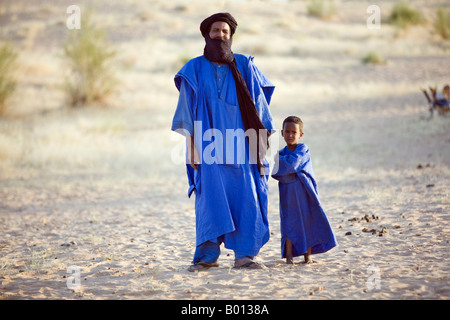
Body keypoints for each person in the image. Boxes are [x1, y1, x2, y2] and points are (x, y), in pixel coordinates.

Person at [171, 13, 275, 271]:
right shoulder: (193, 68)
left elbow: (259, 107)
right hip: (207, 146)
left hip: (242, 145)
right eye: (216, 30)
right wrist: (191, 147)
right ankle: (206, 258)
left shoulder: (245, 65)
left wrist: (260, 145)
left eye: (225, 31)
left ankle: (245, 257)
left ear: (231, 35)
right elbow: (185, 109)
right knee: (209, 200)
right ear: (207, 34)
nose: (220, 35)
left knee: (247, 196)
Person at [272, 116, 337, 264]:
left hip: (304, 193)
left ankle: (308, 256)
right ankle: (289, 258)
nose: (290, 135)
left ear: (300, 134)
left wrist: (282, 166)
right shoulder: (281, 152)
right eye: (286, 131)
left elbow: (292, 164)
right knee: (288, 223)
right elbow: (276, 172)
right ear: (282, 133)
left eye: (293, 132)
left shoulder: (303, 149)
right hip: (287, 195)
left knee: (306, 222)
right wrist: (284, 169)